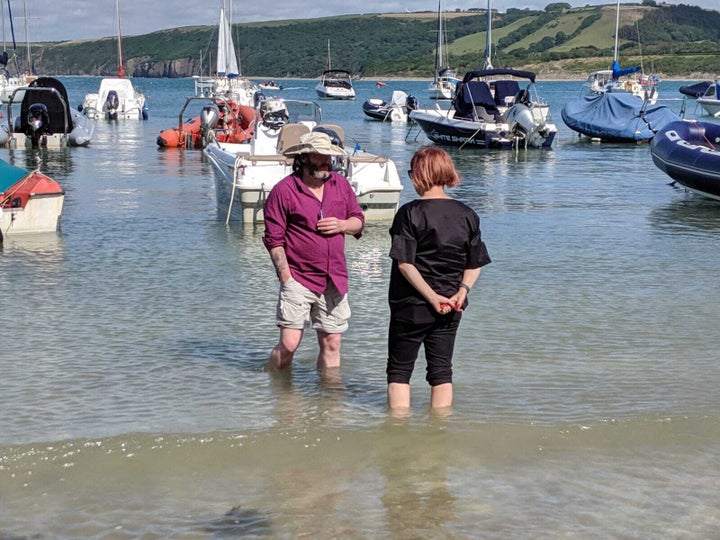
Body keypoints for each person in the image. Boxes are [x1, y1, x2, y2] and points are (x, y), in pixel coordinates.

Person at [386, 146, 491, 410]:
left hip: (411, 304)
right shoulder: (467, 214)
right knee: (441, 371)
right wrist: (462, 292)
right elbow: (474, 263)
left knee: (399, 371)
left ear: (419, 174)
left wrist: (432, 297)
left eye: (412, 172)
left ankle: (399, 434)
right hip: (452, 305)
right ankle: (439, 433)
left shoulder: (410, 213)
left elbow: (405, 264)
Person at [263, 131, 365, 372]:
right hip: (298, 277)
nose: (327, 163)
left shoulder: (340, 185)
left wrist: (342, 225)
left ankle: (329, 399)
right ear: (304, 159)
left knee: (332, 343)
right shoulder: (284, 191)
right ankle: (276, 386)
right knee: (289, 343)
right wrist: (286, 278)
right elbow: (274, 240)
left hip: (334, 278)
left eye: (329, 158)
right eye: (320, 158)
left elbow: (359, 220)